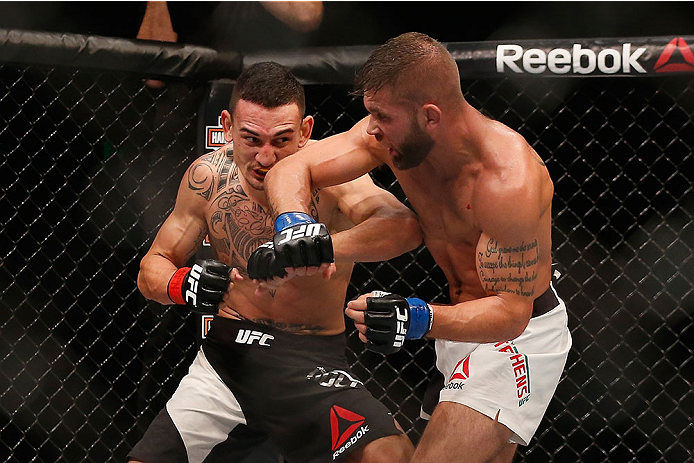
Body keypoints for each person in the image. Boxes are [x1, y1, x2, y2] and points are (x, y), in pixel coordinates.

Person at [260, 32, 572, 463]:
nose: (370, 127)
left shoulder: (507, 181)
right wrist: (294, 223)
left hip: (516, 335)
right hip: (456, 326)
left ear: (430, 116)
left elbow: (510, 313)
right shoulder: (387, 138)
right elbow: (296, 166)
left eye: (382, 115)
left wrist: (416, 317)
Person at [127, 61, 418, 463]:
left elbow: (402, 225)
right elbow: (152, 269)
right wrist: (184, 284)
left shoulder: (332, 172)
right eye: (251, 139)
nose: (265, 156)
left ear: (305, 131)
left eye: (281, 140)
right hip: (226, 361)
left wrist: (323, 246)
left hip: (310, 361)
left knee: (391, 456)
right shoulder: (208, 178)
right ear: (227, 127)